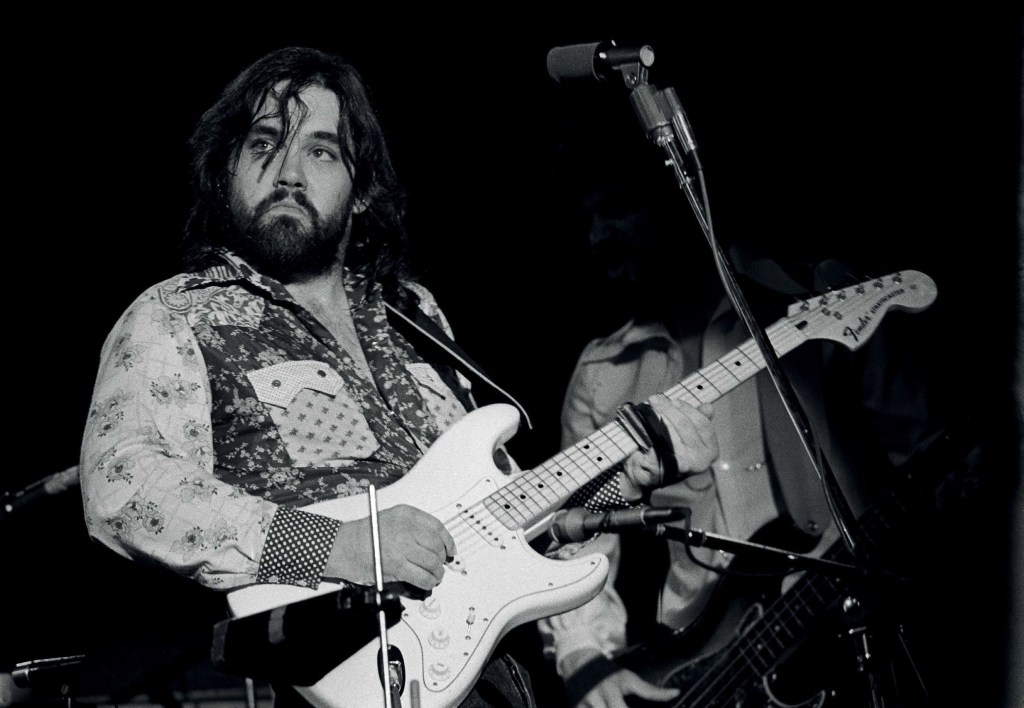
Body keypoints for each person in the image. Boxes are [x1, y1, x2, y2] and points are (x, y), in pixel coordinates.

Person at [77, 46, 721, 708]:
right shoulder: (179, 312)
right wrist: (337, 545)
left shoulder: (415, 315)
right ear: (225, 172)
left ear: (361, 191)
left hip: (485, 675)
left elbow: (498, 517)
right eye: (264, 144)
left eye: (321, 151)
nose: (289, 172)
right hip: (331, 669)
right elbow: (125, 486)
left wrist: (618, 480)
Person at [537, 178, 965, 708]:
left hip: (859, 632)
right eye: (587, 220)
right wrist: (583, 654)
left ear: (677, 198)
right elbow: (579, 529)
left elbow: (927, 453)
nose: (597, 236)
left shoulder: (808, 306)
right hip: (701, 666)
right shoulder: (603, 373)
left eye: (616, 206)